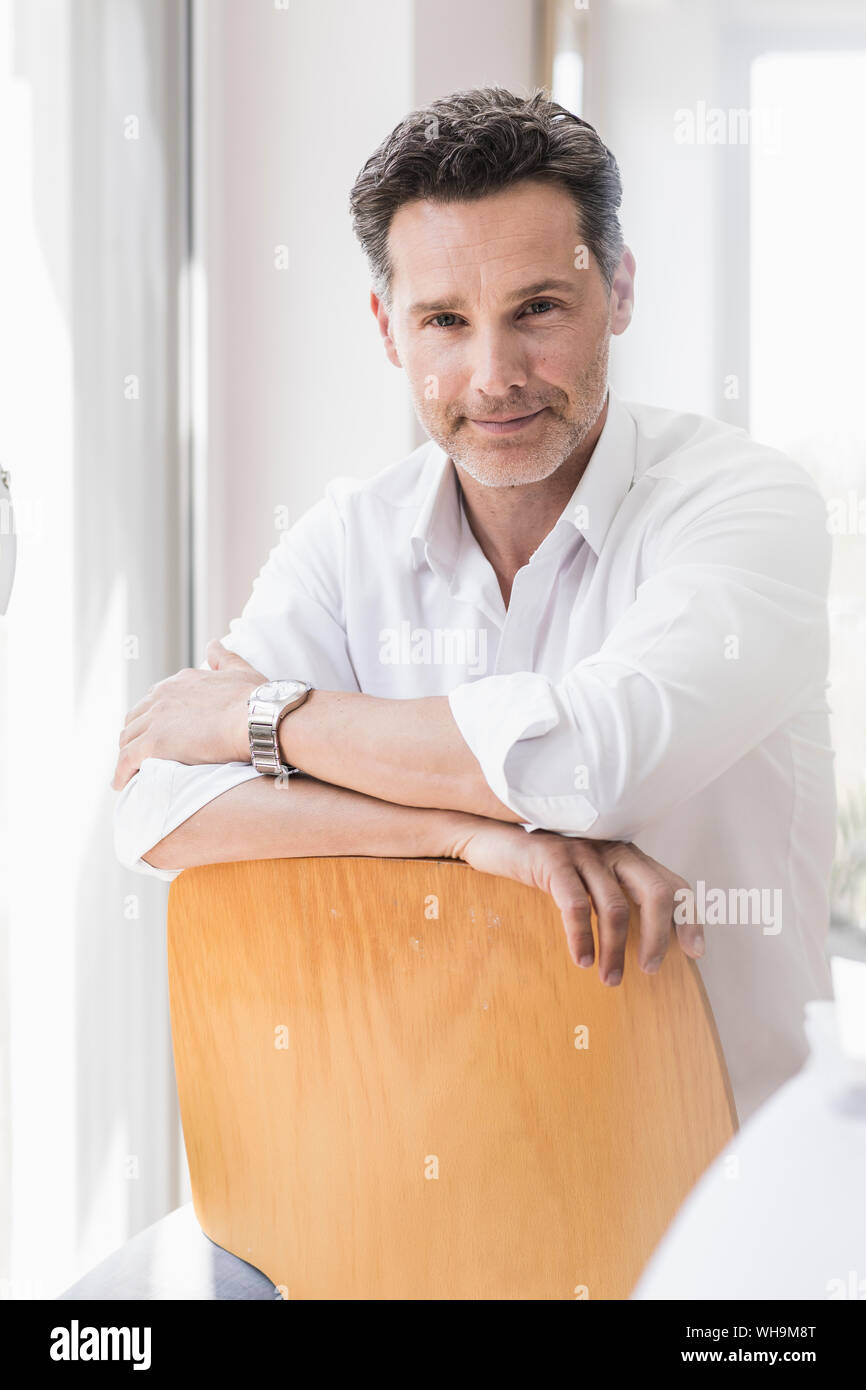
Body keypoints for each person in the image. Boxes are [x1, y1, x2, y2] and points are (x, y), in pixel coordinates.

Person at [113, 85, 835, 1137]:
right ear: (385, 327)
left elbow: (590, 764)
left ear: (618, 287)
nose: (492, 377)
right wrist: (464, 840)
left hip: (718, 1195)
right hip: (428, 1185)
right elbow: (155, 807)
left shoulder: (743, 505)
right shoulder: (348, 536)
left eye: (535, 309)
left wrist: (259, 718)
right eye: (443, 321)